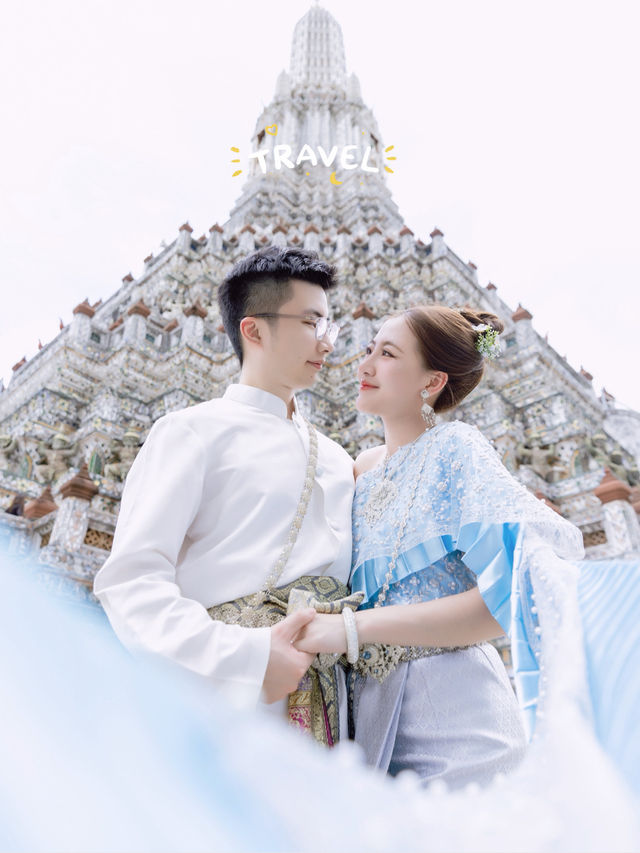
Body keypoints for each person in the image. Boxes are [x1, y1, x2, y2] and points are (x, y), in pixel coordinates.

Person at [294, 303, 586, 788]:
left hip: (457, 709)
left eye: (386, 354)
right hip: (364, 713)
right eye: (368, 349)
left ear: (431, 383)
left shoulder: (455, 448)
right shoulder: (355, 472)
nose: (363, 365)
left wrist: (351, 628)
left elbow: (507, 597)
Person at [93, 246, 355, 745]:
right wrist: (250, 657)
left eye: (330, 327)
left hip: (330, 707)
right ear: (253, 329)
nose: (327, 343)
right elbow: (131, 582)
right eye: (311, 322)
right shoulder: (192, 432)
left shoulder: (341, 461)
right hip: (220, 696)